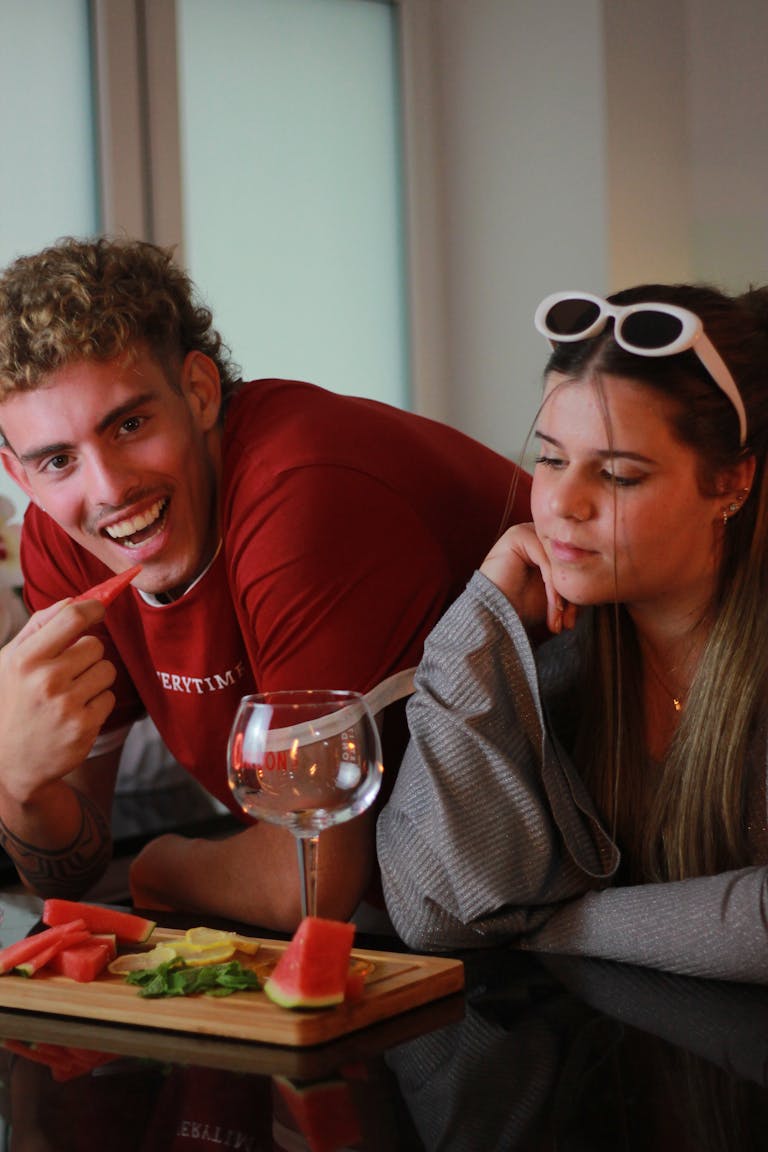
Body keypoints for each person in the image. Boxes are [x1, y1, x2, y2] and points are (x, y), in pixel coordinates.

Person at [0, 235, 531, 929]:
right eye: (57, 461)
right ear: (19, 474)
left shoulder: (299, 489)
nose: (108, 490)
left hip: (594, 857)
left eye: (130, 425)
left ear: (198, 391)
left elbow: (306, 884)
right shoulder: (62, 541)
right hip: (426, 898)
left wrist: (158, 866)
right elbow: (66, 873)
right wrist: (18, 782)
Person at [377, 282, 768, 983]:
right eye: (552, 458)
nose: (562, 502)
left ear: (731, 484)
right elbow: (435, 910)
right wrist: (482, 619)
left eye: (617, 475)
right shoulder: (554, 668)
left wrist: (556, 924)